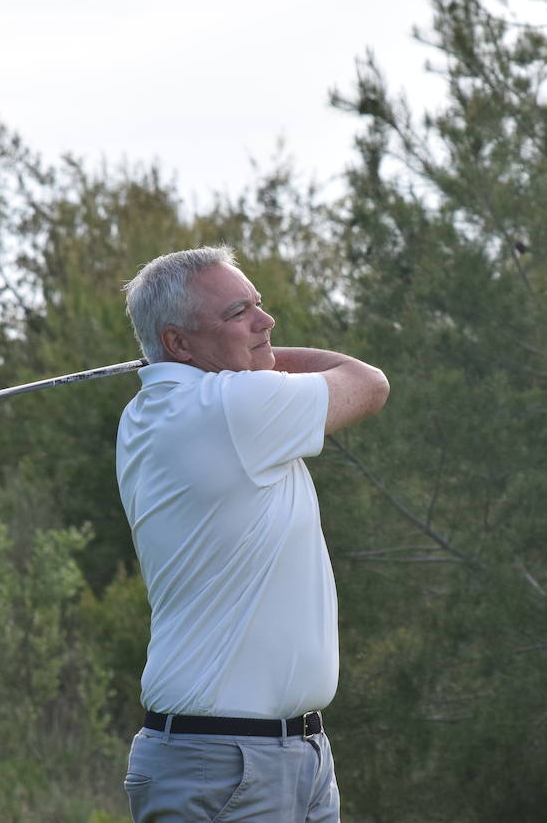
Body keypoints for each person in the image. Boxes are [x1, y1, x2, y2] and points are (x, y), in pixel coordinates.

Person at [115, 246, 389, 822]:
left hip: (289, 755)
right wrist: (258, 360)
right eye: (238, 314)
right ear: (179, 343)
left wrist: (240, 352)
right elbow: (367, 383)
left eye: (258, 306)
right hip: (225, 765)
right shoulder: (229, 407)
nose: (265, 323)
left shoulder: (155, 410)